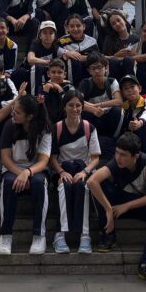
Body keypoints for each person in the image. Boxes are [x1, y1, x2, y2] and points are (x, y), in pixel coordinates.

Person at [87, 131, 146, 288]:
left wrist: (127, 206)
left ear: (135, 156)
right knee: (99, 184)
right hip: (118, 203)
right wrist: (109, 210)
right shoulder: (115, 162)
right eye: (117, 153)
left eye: (123, 155)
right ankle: (108, 234)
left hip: (139, 204)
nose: (118, 158)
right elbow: (92, 182)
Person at [0, 94, 52, 255]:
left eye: (17, 112)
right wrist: (20, 173)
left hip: (35, 170)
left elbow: (43, 161)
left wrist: (27, 173)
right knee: (9, 182)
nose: (13, 114)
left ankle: (39, 235)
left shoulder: (44, 129)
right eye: (13, 110)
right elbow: (5, 158)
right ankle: (5, 235)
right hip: (13, 169)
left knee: (39, 183)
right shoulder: (9, 125)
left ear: (30, 116)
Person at [50, 89, 101, 254]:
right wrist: (61, 172)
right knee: (64, 186)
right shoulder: (57, 128)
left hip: (83, 170)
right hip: (63, 170)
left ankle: (85, 235)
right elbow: (52, 158)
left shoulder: (89, 128)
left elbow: (95, 158)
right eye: (70, 105)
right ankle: (60, 235)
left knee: (82, 187)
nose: (74, 109)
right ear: (64, 107)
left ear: (83, 107)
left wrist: (84, 172)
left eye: (78, 105)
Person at [77, 53, 122, 133]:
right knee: (83, 112)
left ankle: (114, 136)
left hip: (108, 116)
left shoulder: (112, 81)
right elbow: (78, 101)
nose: (97, 71)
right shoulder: (85, 83)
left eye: (99, 67)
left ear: (106, 68)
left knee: (117, 110)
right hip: (93, 117)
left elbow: (119, 101)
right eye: (93, 68)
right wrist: (94, 109)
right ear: (89, 71)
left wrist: (97, 105)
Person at [12, 20, 59, 95]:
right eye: (45, 33)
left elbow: (65, 53)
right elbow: (30, 59)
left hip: (47, 74)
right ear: (40, 36)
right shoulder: (35, 44)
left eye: (51, 33)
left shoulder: (57, 46)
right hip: (29, 73)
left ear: (55, 36)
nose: (48, 35)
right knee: (23, 71)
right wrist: (47, 62)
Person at [57, 13, 98, 84]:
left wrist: (82, 57)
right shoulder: (61, 41)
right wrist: (66, 52)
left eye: (78, 26)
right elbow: (57, 57)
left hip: (88, 73)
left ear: (84, 26)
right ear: (67, 28)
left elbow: (97, 58)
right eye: (72, 26)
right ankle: (72, 86)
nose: (75, 29)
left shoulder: (92, 41)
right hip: (70, 74)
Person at [39, 58, 75, 123]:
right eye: (53, 72)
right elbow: (39, 104)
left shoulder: (69, 87)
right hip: (47, 122)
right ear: (48, 74)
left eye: (59, 72)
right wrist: (45, 91)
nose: (56, 75)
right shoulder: (43, 86)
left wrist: (60, 90)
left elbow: (71, 104)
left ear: (64, 74)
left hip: (65, 121)